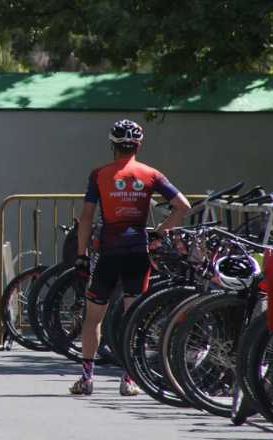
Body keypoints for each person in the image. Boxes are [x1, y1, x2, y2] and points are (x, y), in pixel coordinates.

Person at [70, 119, 190, 396]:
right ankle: (129, 379)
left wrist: (80, 254)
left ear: (112, 145)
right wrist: (160, 232)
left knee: (93, 318)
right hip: (137, 251)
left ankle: (87, 379)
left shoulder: (98, 174)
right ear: (138, 145)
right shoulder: (150, 173)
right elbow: (183, 206)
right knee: (132, 316)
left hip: (108, 253)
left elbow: (86, 217)